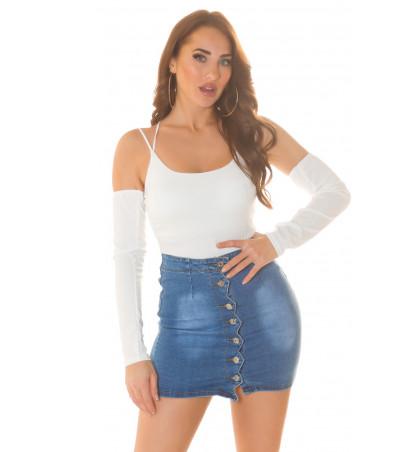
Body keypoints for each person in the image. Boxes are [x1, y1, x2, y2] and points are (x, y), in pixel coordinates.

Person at [112, 9, 351, 452]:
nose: (213, 73)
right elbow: (128, 255)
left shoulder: (251, 133)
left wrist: (276, 241)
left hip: (266, 314)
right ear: (172, 61)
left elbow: (334, 191)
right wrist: (134, 356)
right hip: (184, 325)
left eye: (224, 61)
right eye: (200, 57)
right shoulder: (137, 146)